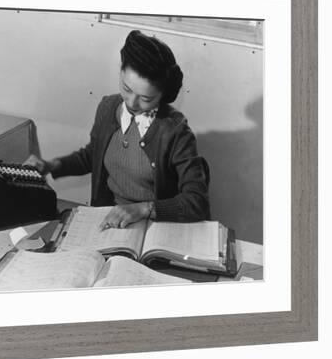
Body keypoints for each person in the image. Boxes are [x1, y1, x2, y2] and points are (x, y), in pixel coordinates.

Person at [24, 30, 210, 229]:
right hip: (110, 219)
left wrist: (144, 208)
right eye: (126, 89)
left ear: (163, 96)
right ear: (121, 72)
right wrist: (51, 165)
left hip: (155, 227)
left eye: (146, 99)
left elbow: (196, 202)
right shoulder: (108, 107)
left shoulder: (175, 132)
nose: (132, 102)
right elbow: (92, 155)